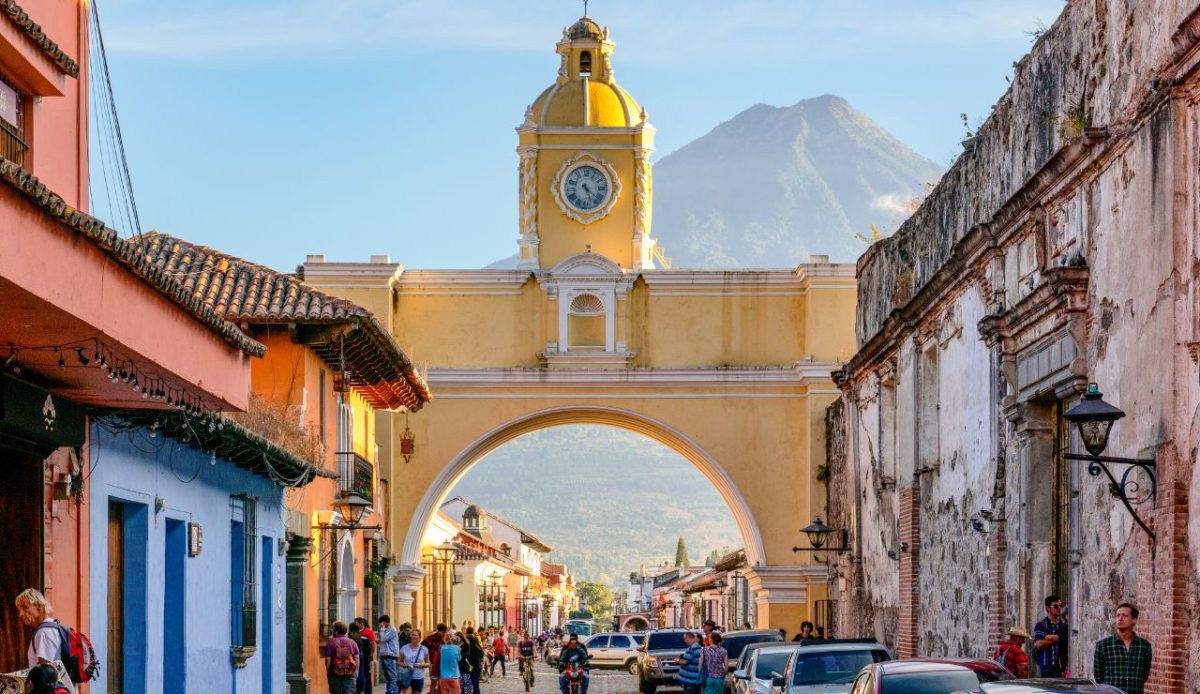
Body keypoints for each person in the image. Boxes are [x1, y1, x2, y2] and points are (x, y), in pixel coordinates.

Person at [1094, 603, 1152, 694]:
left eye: (1125, 616)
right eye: (1117, 616)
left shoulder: (1144, 646)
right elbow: (1098, 676)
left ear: (1134, 620)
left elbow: (1144, 674)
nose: (1120, 619)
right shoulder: (1103, 645)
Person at [15, 589, 62, 670]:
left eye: (25, 608)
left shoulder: (44, 632)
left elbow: (45, 670)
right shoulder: (53, 626)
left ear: (39, 607)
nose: (21, 614)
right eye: (19, 610)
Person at [1033, 595, 1068, 677]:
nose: (1059, 608)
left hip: (1061, 666)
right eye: (1055, 606)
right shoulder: (1041, 624)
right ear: (1048, 608)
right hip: (1046, 666)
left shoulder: (1063, 624)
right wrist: (1057, 639)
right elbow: (1039, 644)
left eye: (1060, 606)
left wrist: (1049, 637)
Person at [324, 621, 361, 694]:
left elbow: (328, 659)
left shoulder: (331, 642)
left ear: (336, 631)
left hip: (335, 672)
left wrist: (328, 671)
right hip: (349, 672)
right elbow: (356, 658)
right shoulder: (352, 642)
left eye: (333, 630)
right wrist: (356, 670)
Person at [399, 627, 430, 694]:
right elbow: (398, 662)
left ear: (419, 637)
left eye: (416, 635)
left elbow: (428, 663)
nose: (413, 636)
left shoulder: (424, 649)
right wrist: (407, 665)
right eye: (412, 635)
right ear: (410, 636)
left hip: (418, 677)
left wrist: (422, 665)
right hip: (406, 676)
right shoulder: (404, 648)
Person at [379, 615, 402, 694]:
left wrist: (382, 629)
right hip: (385, 655)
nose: (380, 625)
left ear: (385, 622)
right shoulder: (386, 630)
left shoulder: (392, 630)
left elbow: (383, 639)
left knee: (393, 677)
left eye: (381, 623)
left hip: (390, 656)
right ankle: (389, 692)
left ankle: (394, 692)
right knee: (388, 677)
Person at [424, 624, 449, 693]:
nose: (443, 634)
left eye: (444, 632)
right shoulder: (431, 638)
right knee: (433, 682)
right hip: (433, 662)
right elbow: (423, 646)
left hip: (443, 663)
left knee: (441, 683)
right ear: (438, 631)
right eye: (442, 632)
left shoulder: (446, 639)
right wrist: (430, 654)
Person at [464, 626, 486, 694]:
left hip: (465, 665)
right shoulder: (475, 640)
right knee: (475, 683)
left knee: (466, 684)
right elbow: (481, 653)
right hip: (475, 664)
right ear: (473, 631)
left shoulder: (463, 640)